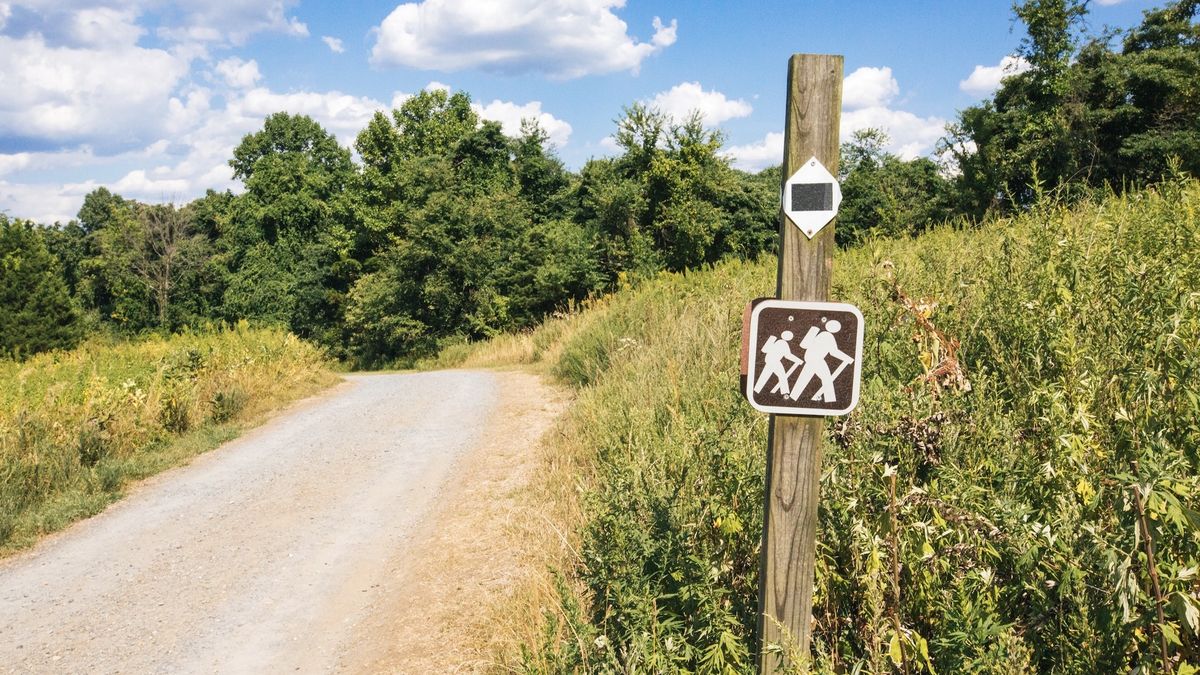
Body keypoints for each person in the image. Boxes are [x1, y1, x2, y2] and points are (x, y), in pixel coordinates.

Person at [791, 319, 853, 402]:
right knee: (827, 379)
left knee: (803, 379)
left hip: (810, 359)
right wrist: (847, 358)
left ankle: (793, 398)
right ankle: (830, 401)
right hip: (817, 360)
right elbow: (833, 352)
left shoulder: (820, 334)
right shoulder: (828, 336)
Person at [753, 330, 802, 396]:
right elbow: (788, 355)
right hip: (774, 361)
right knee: (782, 375)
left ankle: (756, 390)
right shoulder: (783, 343)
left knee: (765, 375)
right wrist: (798, 360)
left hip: (769, 360)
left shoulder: (778, 342)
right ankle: (785, 392)